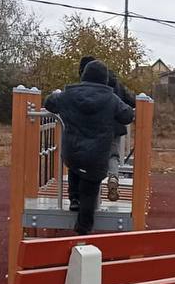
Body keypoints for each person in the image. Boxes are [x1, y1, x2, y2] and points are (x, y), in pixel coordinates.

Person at [45, 60, 135, 235]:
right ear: (104, 78)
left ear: (84, 75)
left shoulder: (68, 94)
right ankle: (83, 231)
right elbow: (127, 116)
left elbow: (49, 103)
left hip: (72, 150)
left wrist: (56, 94)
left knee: (74, 169)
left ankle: (73, 199)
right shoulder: (111, 98)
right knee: (90, 191)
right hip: (97, 154)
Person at [78, 56, 137, 202]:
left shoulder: (90, 83)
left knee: (89, 156)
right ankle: (113, 177)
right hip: (113, 126)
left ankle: (92, 189)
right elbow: (131, 101)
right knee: (113, 156)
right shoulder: (116, 83)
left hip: (92, 126)